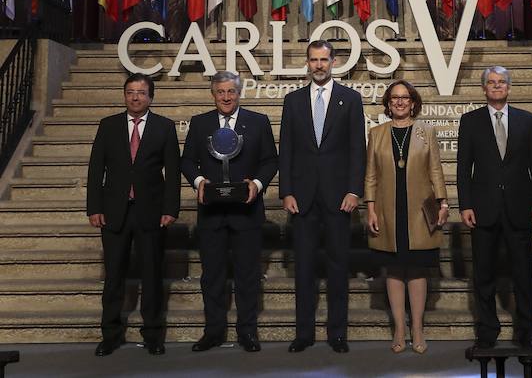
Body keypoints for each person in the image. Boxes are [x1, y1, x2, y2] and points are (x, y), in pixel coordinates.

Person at [181, 71, 278, 353]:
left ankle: (247, 332)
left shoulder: (257, 122)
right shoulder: (200, 124)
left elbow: (270, 161)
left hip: (246, 212)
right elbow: (187, 161)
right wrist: (200, 182)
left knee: (248, 275)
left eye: (231, 92)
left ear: (239, 93)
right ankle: (213, 332)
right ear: (213, 94)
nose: (226, 97)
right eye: (220, 92)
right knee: (212, 275)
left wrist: (256, 185)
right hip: (211, 212)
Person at [279, 40, 366, 353]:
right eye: (314, 60)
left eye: (324, 60)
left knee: (338, 268)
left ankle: (337, 334)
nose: (319, 65)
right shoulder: (292, 101)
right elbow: (285, 149)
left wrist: (355, 190)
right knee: (303, 269)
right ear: (307, 62)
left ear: (333, 62)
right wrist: (286, 191)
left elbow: (358, 148)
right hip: (301, 199)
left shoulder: (351, 99)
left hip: (338, 198)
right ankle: (304, 334)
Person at [86, 76, 181, 357]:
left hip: (151, 213)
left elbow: (173, 173)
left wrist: (170, 209)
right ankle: (111, 335)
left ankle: (152, 335)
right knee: (114, 276)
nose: (135, 97)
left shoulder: (165, 127)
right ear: (124, 95)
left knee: (152, 275)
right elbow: (95, 170)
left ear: (151, 97)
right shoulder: (108, 125)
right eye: (130, 92)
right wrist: (94, 207)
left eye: (141, 93)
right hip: (114, 212)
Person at [457, 66, 532, 348]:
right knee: (483, 274)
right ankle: (487, 330)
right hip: (483, 210)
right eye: (491, 83)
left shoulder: (527, 120)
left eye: (501, 82)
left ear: (509, 88)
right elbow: (463, 168)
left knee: (523, 274)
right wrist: (465, 205)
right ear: (484, 88)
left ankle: (527, 330)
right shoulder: (469, 121)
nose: (497, 86)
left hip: (520, 208)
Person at [365, 80, 449, 355]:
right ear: (388, 104)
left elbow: (435, 170)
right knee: (394, 269)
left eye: (405, 98)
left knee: (416, 268)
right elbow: (371, 175)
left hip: (419, 209)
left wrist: (443, 202)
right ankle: (400, 328)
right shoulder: (376, 133)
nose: (400, 102)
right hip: (389, 209)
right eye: (394, 98)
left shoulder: (426, 131)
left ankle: (418, 328)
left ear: (413, 102)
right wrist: (371, 208)